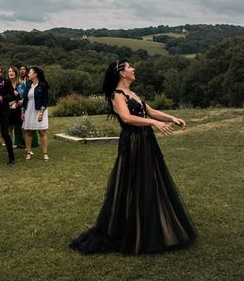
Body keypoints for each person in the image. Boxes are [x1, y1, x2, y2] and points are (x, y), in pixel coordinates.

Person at [70, 60, 196, 255]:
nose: (133, 69)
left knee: (150, 182)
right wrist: (153, 123)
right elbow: (127, 118)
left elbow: (150, 111)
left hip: (146, 142)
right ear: (121, 73)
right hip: (132, 143)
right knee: (132, 184)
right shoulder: (117, 95)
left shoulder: (132, 93)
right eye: (129, 67)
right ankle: (131, 230)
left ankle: (151, 226)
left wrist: (171, 118)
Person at [21, 66, 50, 161]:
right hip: (29, 110)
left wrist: (41, 113)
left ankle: (45, 153)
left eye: (30, 72)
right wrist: (23, 111)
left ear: (35, 74)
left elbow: (45, 100)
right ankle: (28, 152)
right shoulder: (28, 85)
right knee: (28, 131)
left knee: (42, 132)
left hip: (40, 110)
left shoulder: (43, 85)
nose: (28, 74)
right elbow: (25, 99)